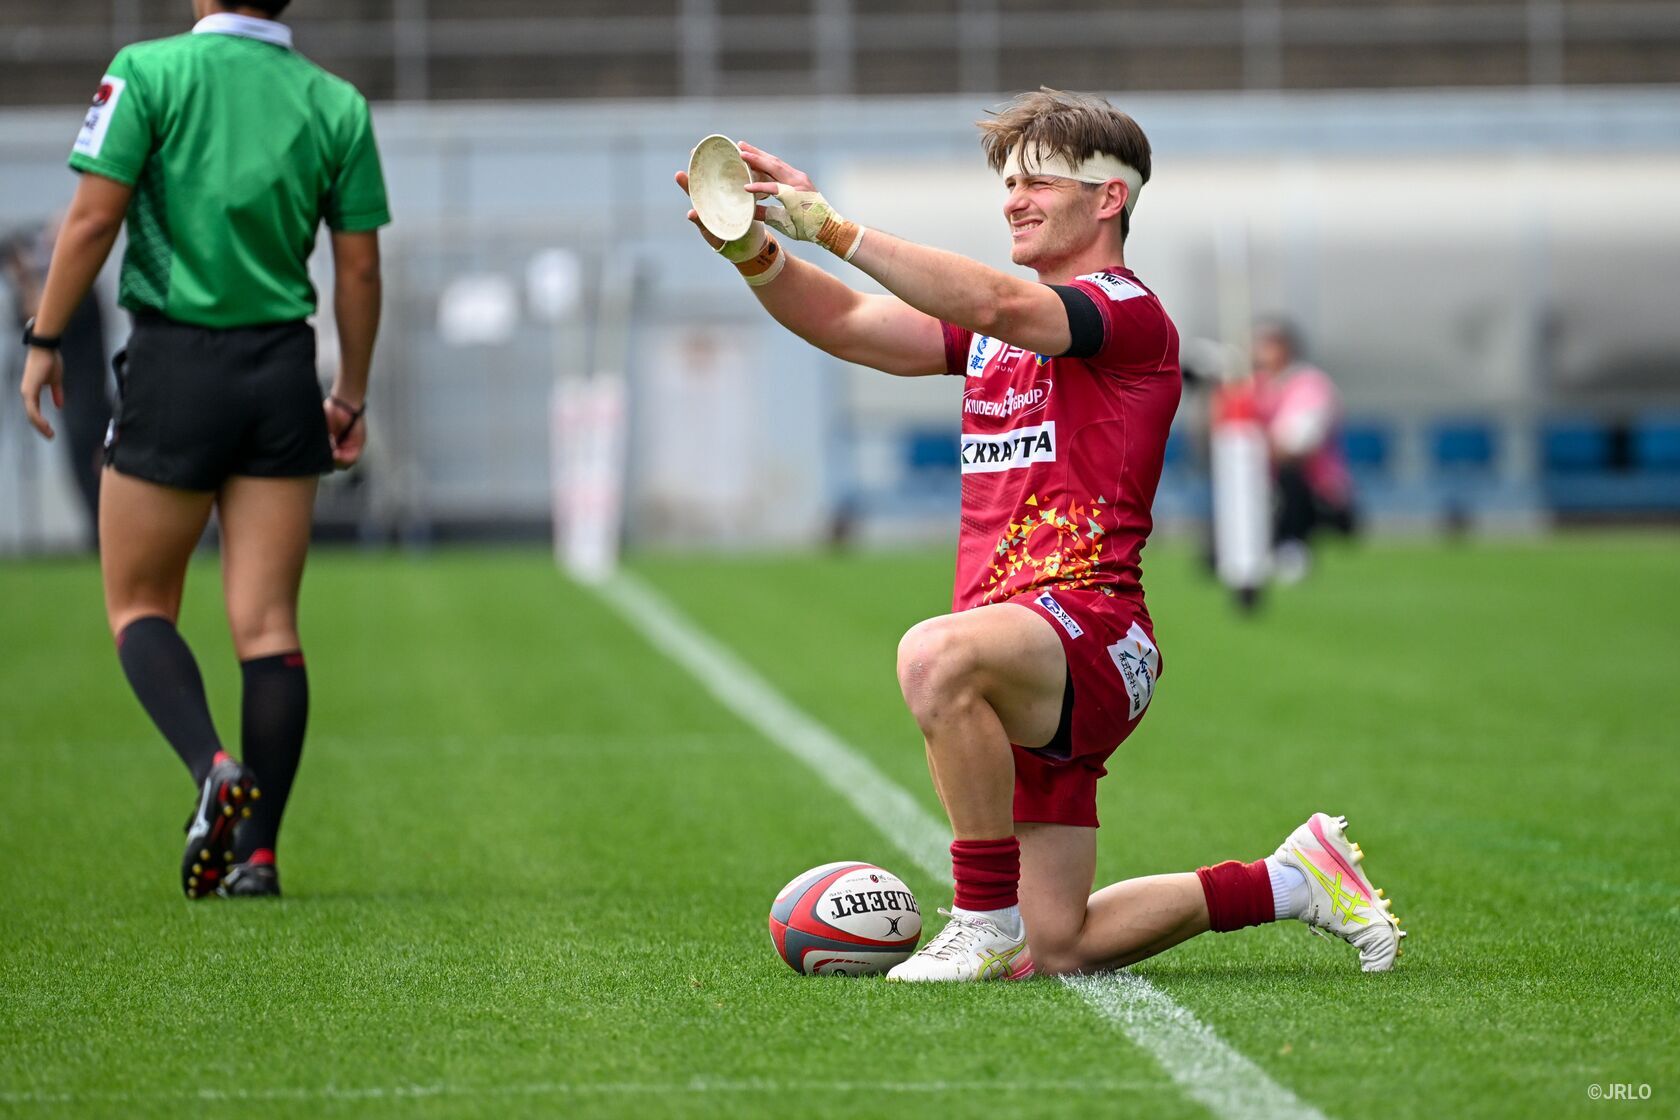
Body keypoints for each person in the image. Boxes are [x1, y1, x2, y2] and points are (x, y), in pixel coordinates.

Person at [676, 88, 1403, 979]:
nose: (1014, 201)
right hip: (1020, 644)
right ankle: (1290, 880)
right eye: (1009, 185)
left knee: (932, 657)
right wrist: (755, 251)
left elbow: (999, 305)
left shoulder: (1125, 310)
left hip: (1089, 628)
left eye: (1039, 182)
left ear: (1109, 198)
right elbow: (853, 324)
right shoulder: (1005, 327)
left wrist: (831, 227)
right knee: (1061, 944)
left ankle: (981, 919)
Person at [18, 0, 389, 899]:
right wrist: (349, 394)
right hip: (282, 372)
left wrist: (44, 338)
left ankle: (212, 766)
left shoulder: (146, 72)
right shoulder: (336, 102)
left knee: (138, 603)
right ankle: (257, 858)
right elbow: (359, 267)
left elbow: (92, 221)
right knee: (269, 627)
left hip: (174, 366)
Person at [2, 219, 110, 546]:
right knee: (86, 481)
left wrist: (25, 275)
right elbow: (30, 317)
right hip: (75, 402)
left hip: (89, 404)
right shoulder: (72, 292)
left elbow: (42, 319)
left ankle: (104, 542)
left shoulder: (82, 292)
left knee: (95, 482)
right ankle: (99, 542)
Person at [1250, 317, 1357, 584]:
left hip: (1319, 496)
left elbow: (1298, 444)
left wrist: (1251, 446)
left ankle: (1292, 546)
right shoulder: (1254, 386)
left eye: (1268, 344)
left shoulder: (1311, 385)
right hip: (1265, 490)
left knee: (1290, 474)